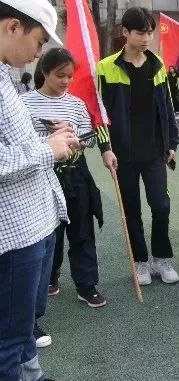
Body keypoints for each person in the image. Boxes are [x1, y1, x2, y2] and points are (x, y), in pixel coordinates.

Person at [0, 0, 82, 381]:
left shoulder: (6, 77)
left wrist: (51, 141)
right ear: (13, 27)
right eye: (39, 41)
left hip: (31, 220)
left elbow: (15, 144)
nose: (38, 53)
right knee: (10, 326)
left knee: (23, 321)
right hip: (12, 229)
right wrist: (47, 150)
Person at [96, 6, 179, 286]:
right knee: (131, 210)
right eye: (141, 33)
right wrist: (105, 147)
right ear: (126, 32)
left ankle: (161, 258)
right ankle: (141, 262)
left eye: (150, 33)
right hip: (123, 154)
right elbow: (99, 114)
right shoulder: (106, 68)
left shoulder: (158, 65)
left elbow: (167, 107)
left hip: (154, 151)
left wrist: (172, 142)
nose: (146, 39)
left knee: (161, 205)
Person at [22, 48, 106, 317]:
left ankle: (86, 284)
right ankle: (51, 275)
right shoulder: (25, 103)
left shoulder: (77, 104)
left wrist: (75, 137)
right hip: (42, 176)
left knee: (82, 230)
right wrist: (50, 138)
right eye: (60, 75)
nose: (66, 81)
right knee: (50, 233)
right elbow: (21, 142)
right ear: (45, 72)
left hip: (76, 174)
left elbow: (90, 138)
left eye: (70, 76)